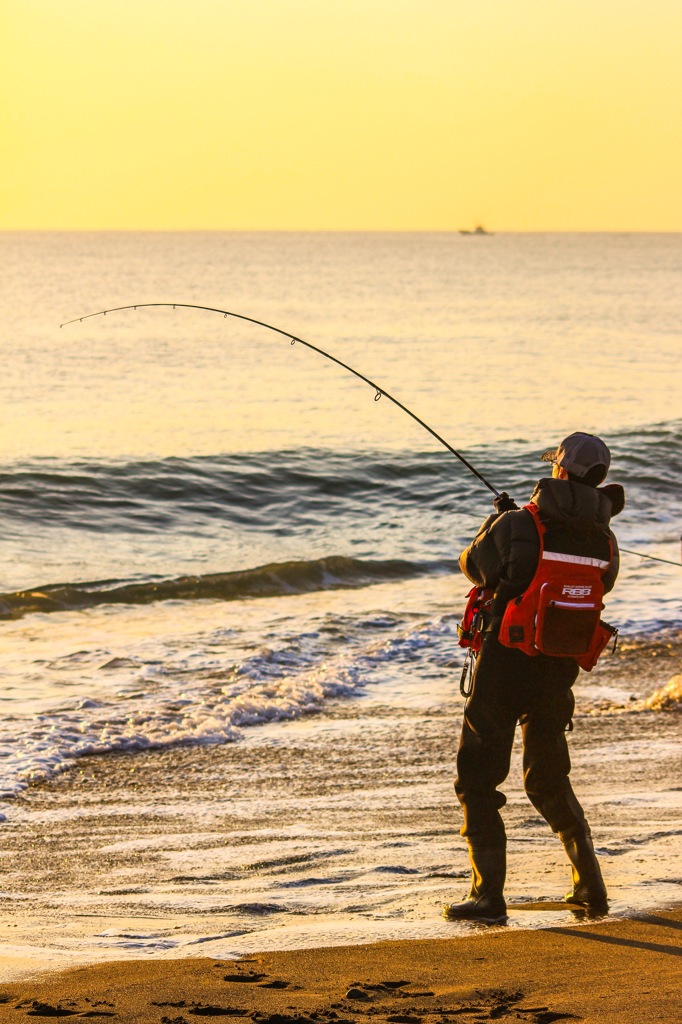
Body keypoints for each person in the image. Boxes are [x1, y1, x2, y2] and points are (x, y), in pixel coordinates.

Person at [444, 432, 625, 923]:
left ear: (560, 471)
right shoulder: (606, 540)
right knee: (547, 780)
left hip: (505, 667)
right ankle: (590, 887)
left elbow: (472, 567)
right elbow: (597, 584)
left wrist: (497, 522)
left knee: (478, 783)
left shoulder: (519, 524)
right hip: (558, 672)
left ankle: (488, 897)